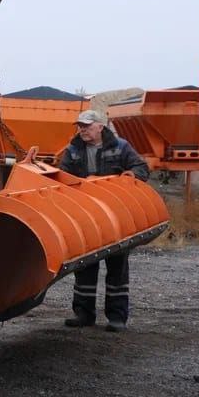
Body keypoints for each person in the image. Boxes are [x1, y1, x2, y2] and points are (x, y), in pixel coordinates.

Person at [57, 109, 150, 332]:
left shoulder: (121, 146)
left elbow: (142, 168)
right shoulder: (72, 150)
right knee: (84, 267)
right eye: (80, 126)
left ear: (100, 126)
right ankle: (83, 314)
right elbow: (61, 175)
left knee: (117, 267)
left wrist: (132, 176)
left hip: (116, 216)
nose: (82, 130)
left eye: (87, 126)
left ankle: (117, 317)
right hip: (86, 216)